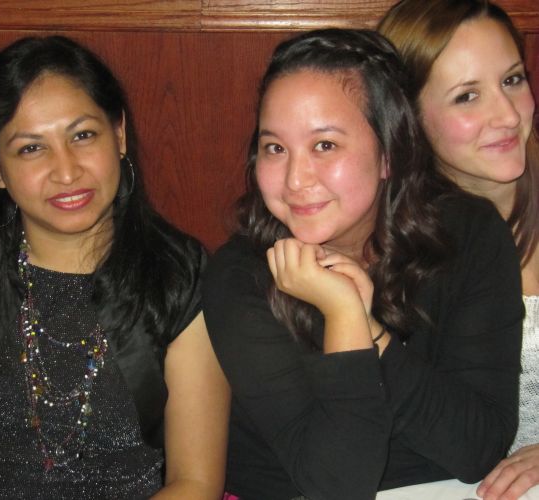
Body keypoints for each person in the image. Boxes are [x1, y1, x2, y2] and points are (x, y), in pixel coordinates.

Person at [0, 35, 229, 499]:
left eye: (83, 135)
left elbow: (195, 482)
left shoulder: (179, 278)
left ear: (119, 134)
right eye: (30, 148)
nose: (66, 171)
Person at [202, 27, 524, 499]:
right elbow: (336, 483)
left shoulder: (468, 233)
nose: (295, 179)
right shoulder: (240, 275)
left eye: (325, 145)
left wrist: (367, 329)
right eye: (275, 148)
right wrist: (343, 316)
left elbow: (479, 445)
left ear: (389, 154)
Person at [379, 1, 539, 498]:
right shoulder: (398, 246)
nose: (507, 115)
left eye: (512, 80)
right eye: (467, 96)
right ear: (408, 117)